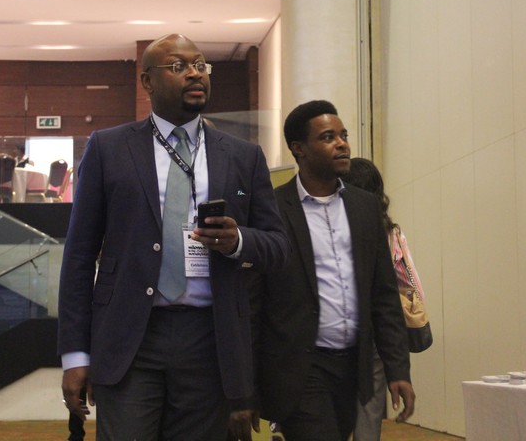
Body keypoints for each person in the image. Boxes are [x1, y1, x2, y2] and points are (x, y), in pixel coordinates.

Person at [58, 33, 290, 441]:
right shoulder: (109, 149)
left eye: (200, 65)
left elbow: (277, 246)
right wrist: (75, 354)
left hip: (210, 339)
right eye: (179, 67)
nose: (194, 74)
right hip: (130, 336)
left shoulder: (243, 155)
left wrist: (238, 241)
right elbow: (78, 256)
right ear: (147, 82)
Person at [246, 100, 415, 441]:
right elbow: (252, 304)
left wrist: (398, 369)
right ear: (299, 149)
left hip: (353, 368)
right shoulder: (272, 210)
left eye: (343, 135)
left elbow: (383, 295)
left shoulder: (364, 207)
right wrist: (245, 388)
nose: (341, 144)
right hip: (300, 368)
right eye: (327, 137)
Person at [345, 157, 424, 441]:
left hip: (336, 331)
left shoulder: (334, 228)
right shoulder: (390, 232)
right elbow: (409, 281)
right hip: (376, 331)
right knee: (369, 410)